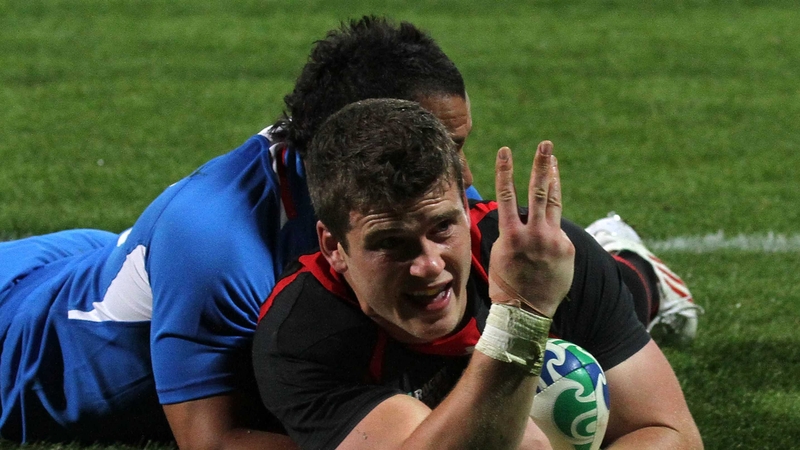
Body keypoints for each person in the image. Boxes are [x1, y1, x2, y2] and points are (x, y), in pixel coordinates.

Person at [0, 16, 700, 447]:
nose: (461, 175)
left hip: (96, 257)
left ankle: (629, 268)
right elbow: (212, 442)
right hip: (29, 332)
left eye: (455, 146)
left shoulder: (404, 186)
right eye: (442, 145)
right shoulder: (219, 244)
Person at [253, 98, 704, 449]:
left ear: (467, 211)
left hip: (585, 280)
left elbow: (672, 433)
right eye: (391, 242)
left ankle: (638, 266)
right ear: (334, 247)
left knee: (620, 284)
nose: (429, 265)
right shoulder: (301, 337)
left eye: (443, 227)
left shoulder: (539, 256)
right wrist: (521, 318)